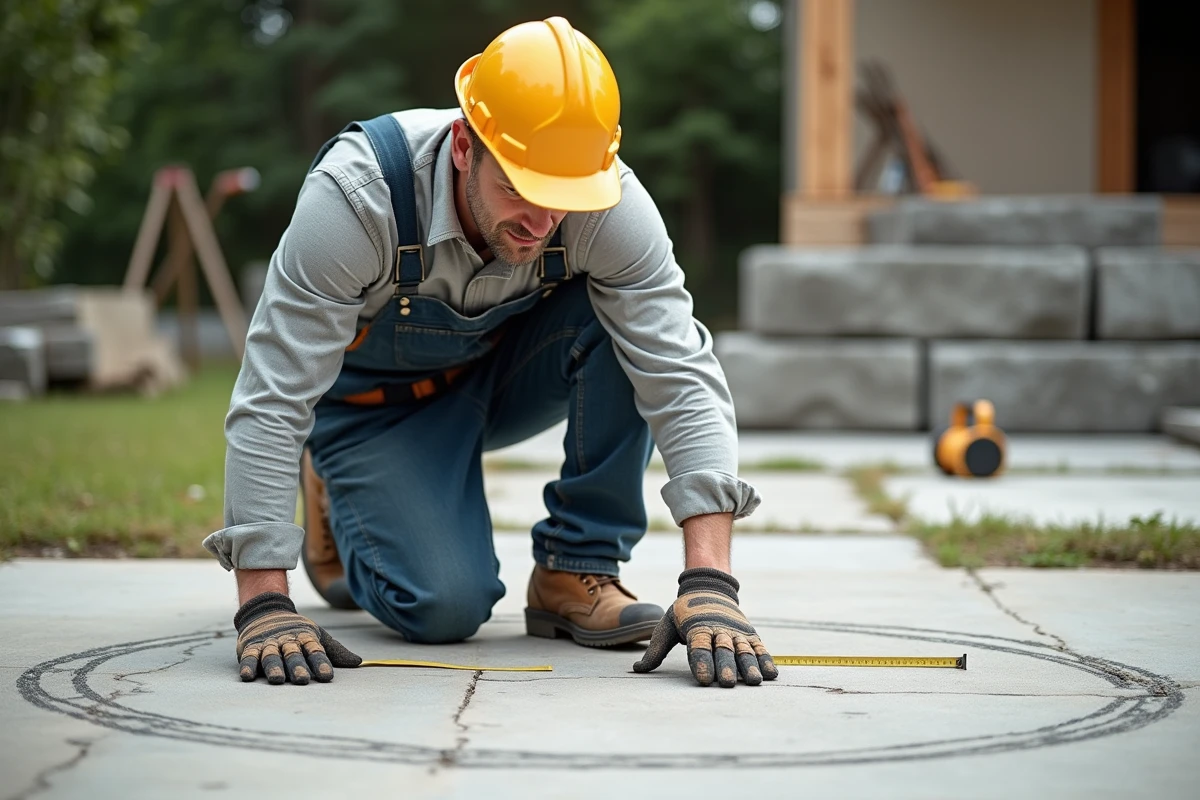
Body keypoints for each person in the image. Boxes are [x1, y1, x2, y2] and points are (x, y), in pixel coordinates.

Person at [204, 16, 778, 690]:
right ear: (462, 146)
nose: (540, 224)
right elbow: (273, 397)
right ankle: (335, 485)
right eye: (518, 189)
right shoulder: (358, 200)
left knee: (627, 330)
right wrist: (265, 601)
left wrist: (710, 581)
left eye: (561, 199)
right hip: (372, 412)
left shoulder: (607, 202)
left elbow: (679, 373)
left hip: (502, 382)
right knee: (444, 607)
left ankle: (575, 566)